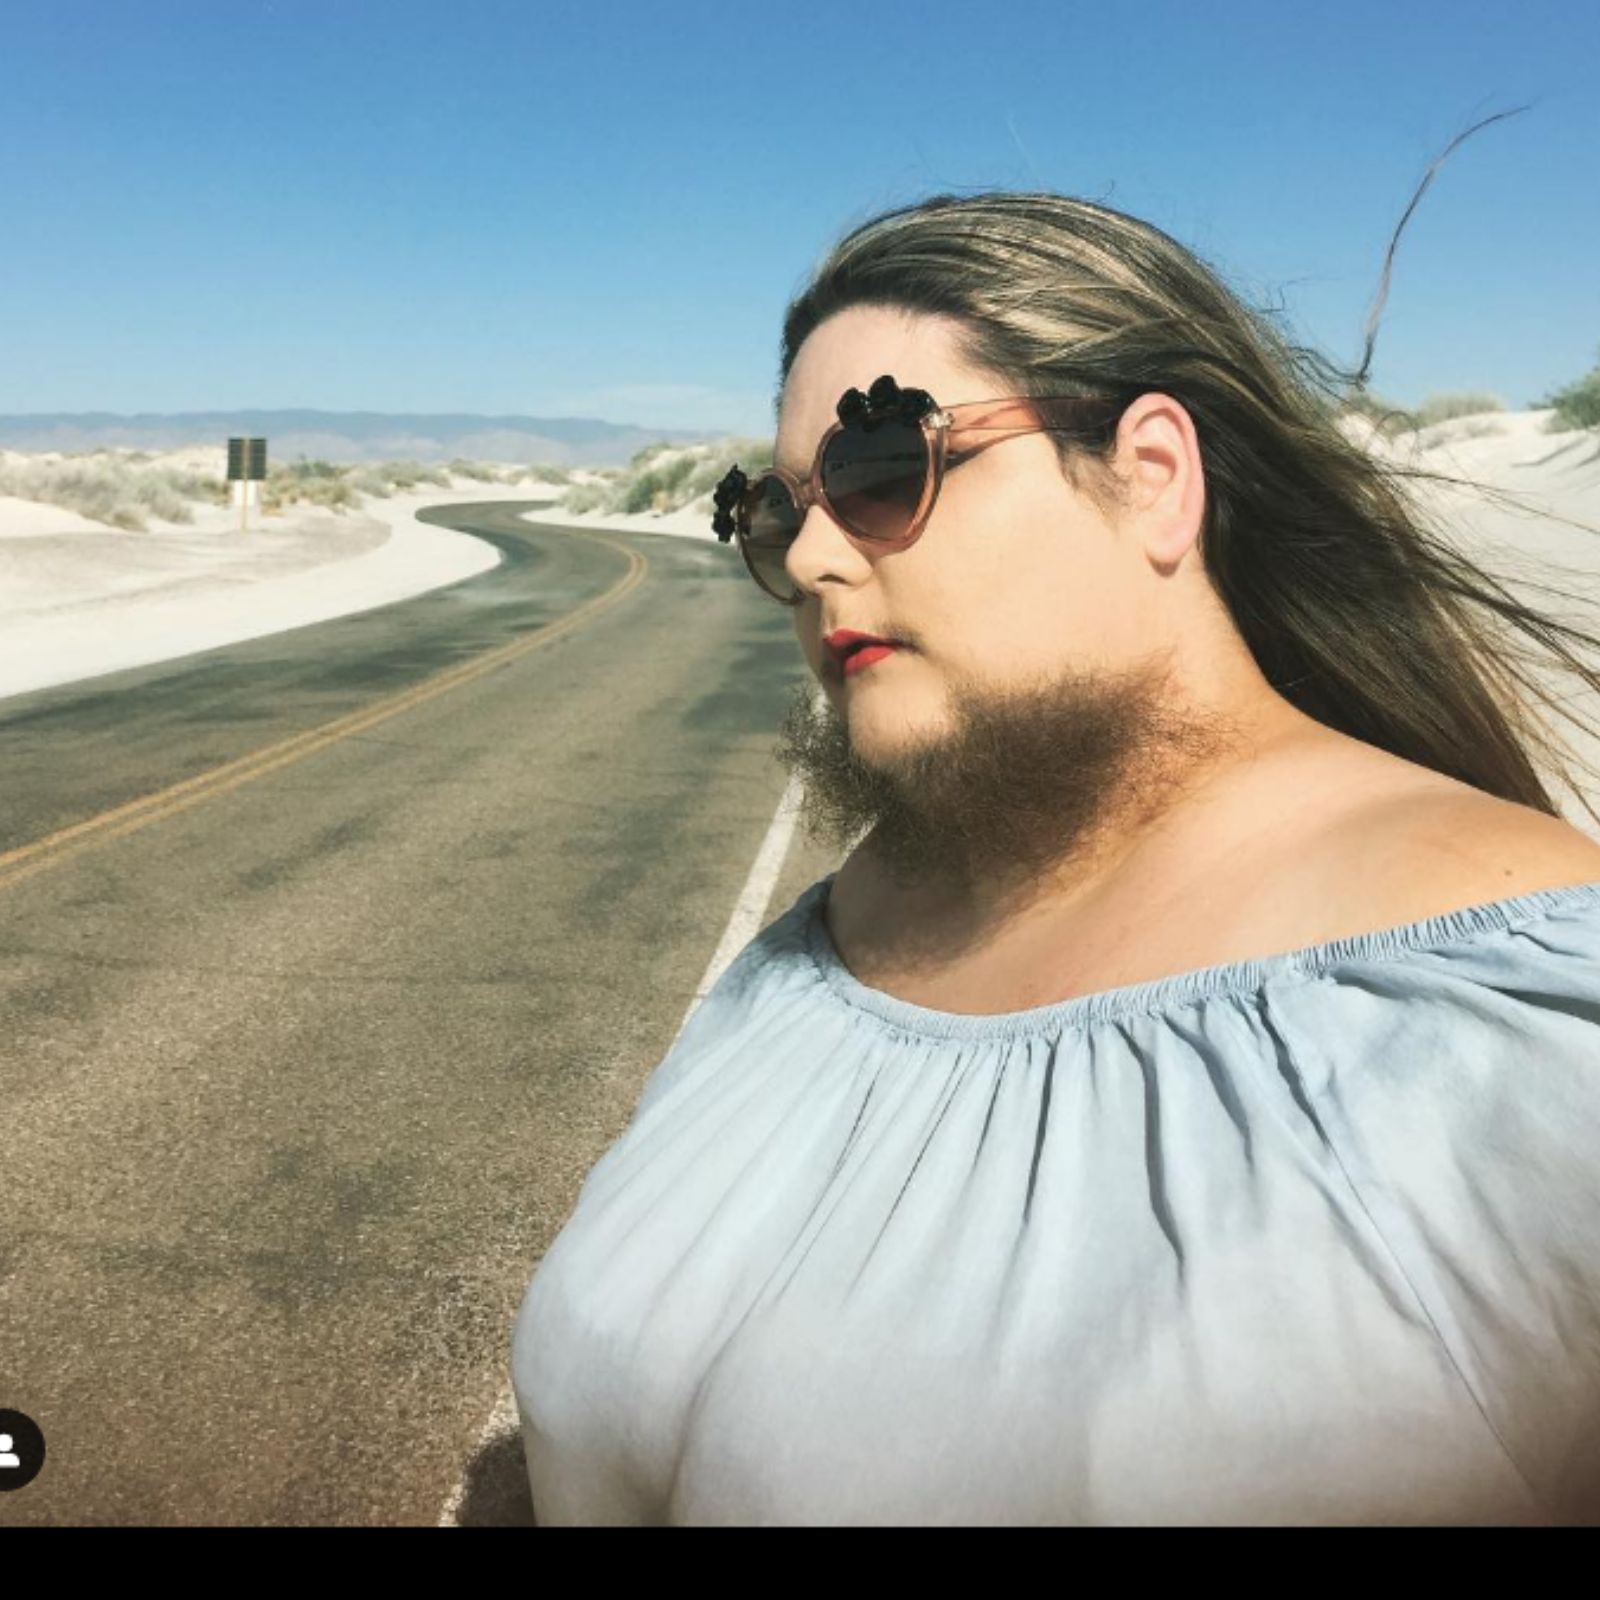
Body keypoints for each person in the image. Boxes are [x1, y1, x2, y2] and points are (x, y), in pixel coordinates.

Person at [510, 185, 1600, 1525]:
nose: (813, 561)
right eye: (772, 514)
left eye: (873, 468)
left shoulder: (1534, 1004)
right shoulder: (825, 947)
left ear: (1151, 477)